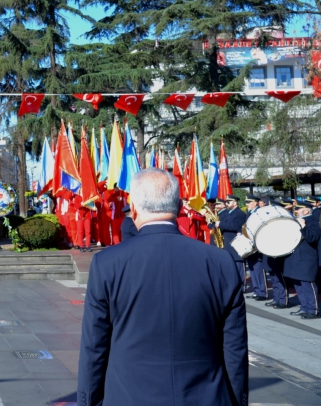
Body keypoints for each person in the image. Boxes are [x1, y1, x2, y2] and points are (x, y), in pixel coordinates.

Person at [78, 168, 248, 405]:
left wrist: (88, 401)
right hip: (206, 397)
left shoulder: (107, 263)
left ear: (133, 208)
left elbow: (94, 346)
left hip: (129, 396)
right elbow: (235, 348)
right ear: (179, 206)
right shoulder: (220, 261)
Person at [284, 201, 321, 319]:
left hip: (307, 259)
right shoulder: (295, 221)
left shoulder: (313, 222)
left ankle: (313, 310)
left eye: (299, 209)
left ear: (306, 211)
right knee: (298, 284)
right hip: (295, 258)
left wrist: (304, 226)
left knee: (308, 285)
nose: (296, 211)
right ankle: (304, 307)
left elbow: (312, 238)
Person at [218, 195, 248, 285]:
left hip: (236, 245)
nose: (226, 204)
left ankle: (242, 286)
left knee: (239, 267)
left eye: (228, 202)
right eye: (226, 202)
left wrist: (220, 224)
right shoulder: (229, 213)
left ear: (235, 202)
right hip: (228, 244)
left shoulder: (239, 213)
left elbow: (236, 226)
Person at [244, 195, 268, 301]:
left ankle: (263, 292)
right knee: (253, 269)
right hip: (250, 244)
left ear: (256, 202)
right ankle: (257, 290)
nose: (247, 204)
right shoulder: (249, 212)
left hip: (257, 245)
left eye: (249, 202)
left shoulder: (260, 212)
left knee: (258, 269)